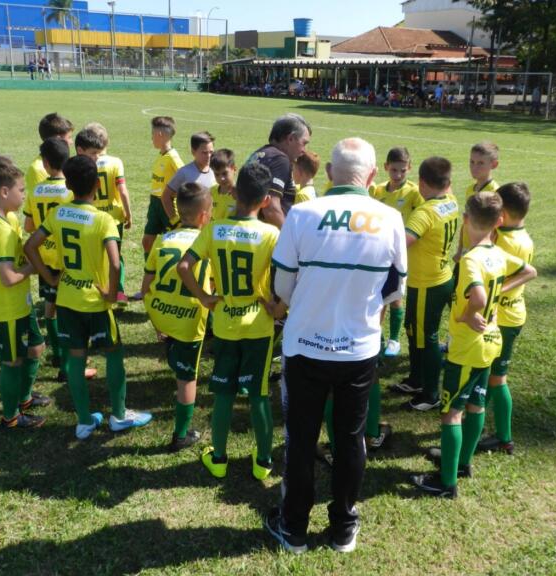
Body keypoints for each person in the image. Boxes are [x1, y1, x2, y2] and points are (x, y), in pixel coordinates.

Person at [265, 138, 407, 554]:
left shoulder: (303, 214)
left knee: (301, 438)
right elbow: (394, 290)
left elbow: (282, 286)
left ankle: (293, 528)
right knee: (349, 439)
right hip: (358, 350)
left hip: (304, 347)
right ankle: (344, 527)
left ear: (328, 172)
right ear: (373, 175)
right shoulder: (390, 218)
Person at [411, 192, 536, 498]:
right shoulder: (496, 252)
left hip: (468, 346)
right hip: (491, 342)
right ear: (497, 222)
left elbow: (478, 297)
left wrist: (470, 314)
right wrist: (495, 299)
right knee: (476, 404)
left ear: (466, 220)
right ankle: (463, 463)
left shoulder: (470, 260)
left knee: (451, 413)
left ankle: (446, 482)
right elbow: (529, 271)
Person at [24, 155, 152, 440]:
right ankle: (119, 416)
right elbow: (116, 262)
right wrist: (110, 291)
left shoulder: (58, 214)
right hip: (95, 301)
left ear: (68, 185)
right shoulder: (103, 219)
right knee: (114, 354)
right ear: (97, 183)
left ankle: (83, 421)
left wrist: (49, 277)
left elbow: (31, 245)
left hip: (68, 299)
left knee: (77, 359)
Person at [177, 162, 280, 482]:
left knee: (223, 393)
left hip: (224, 323)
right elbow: (286, 276)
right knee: (258, 394)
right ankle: (263, 461)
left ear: (235, 193)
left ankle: (219, 458)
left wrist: (205, 298)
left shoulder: (213, 229)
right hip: (258, 325)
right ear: (266, 201)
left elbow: (184, 267)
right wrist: (278, 306)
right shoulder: (270, 233)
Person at [0, 156, 47, 429]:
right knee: (12, 361)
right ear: (4, 192)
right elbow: (7, 277)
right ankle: (11, 417)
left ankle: (25, 398)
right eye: (21, 190)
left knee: (36, 347)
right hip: (6, 306)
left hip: (21, 302)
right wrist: (33, 268)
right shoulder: (1, 232)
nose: (24, 195)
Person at [142, 183, 213, 452]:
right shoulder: (206, 244)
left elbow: (146, 286)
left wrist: (156, 320)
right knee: (187, 379)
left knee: (178, 362)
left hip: (163, 314)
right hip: (190, 321)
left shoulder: (161, 240)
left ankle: (171, 351)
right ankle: (180, 435)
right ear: (205, 215)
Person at [22, 138, 96, 384]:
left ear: (45, 163)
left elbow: (29, 225)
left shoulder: (35, 190)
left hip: (45, 259)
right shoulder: (70, 191)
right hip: (68, 260)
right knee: (68, 313)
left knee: (50, 310)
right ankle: (70, 364)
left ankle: (58, 356)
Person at [476, 182, 534, 454]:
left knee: (497, 378)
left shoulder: (506, 242)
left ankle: (503, 437)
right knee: (491, 375)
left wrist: (496, 291)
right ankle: (477, 423)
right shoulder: (523, 236)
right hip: (513, 312)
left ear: (504, 215)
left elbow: (515, 274)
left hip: (505, 318)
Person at [397, 158, 459, 412]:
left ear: (422, 183)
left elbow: (402, 241)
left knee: (427, 338)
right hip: (440, 277)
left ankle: (431, 394)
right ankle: (416, 379)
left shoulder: (425, 212)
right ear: (448, 182)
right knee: (414, 331)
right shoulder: (451, 201)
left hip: (427, 284)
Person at [369, 146, 423, 358]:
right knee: (379, 295)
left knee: (396, 295)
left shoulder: (414, 192)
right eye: (394, 170)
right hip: (380, 251)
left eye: (403, 170)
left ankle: (394, 339)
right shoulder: (378, 191)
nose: (398, 175)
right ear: (385, 168)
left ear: (409, 168)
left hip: (401, 251)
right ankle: (377, 337)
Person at [74, 123, 132, 304]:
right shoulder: (115, 162)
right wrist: (128, 214)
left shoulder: (82, 163)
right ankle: (118, 290)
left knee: (94, 255)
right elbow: (122, 191)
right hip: (113, 218)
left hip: (89, 217)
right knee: (116, 256)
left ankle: (94, 288)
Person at [248, 113, 312, 228]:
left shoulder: (260, 154)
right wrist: (289, 237)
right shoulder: (279, 160)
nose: (304, 151)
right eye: (304, 143)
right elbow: (271, 209)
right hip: (267, 237)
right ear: (291, 138)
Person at [141, 116, 185, 262]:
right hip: (155, 205)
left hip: (167, 205)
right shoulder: (161, 155)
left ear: (159, 135)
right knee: (147, 242)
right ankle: (150, 271)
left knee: (173, 244)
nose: (151, 138)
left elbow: (186, 179)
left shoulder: (173, 157)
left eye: (152, 134)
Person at [160, 132, 216, 229]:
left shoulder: (216, 172)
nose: (209, 156)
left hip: (211, 227)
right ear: (193, 152)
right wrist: (175, 220)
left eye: (211, 152)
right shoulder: (184, 172)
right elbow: (166, 196)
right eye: (204, 152)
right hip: (191, 229)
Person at [455, 142, 500, 261]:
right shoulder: (470, 190)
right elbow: (466, 222)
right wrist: (460, 249)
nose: (474, 167)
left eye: (481, 163)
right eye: (472, 162)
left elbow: (497, 229)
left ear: (494, 164)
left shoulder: (495, 193)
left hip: (481, 253)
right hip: (466, 250)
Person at [25, 113, 74, 196]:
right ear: (58, 139)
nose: (71, 142)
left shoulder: (65, 160)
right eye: (69, 137)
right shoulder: (38, 169)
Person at [209, 148, 238, 220]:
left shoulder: (241, 194)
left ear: (234, 169)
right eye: (217, 174)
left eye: (225, 173)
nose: (221, 178)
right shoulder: (211, 192)